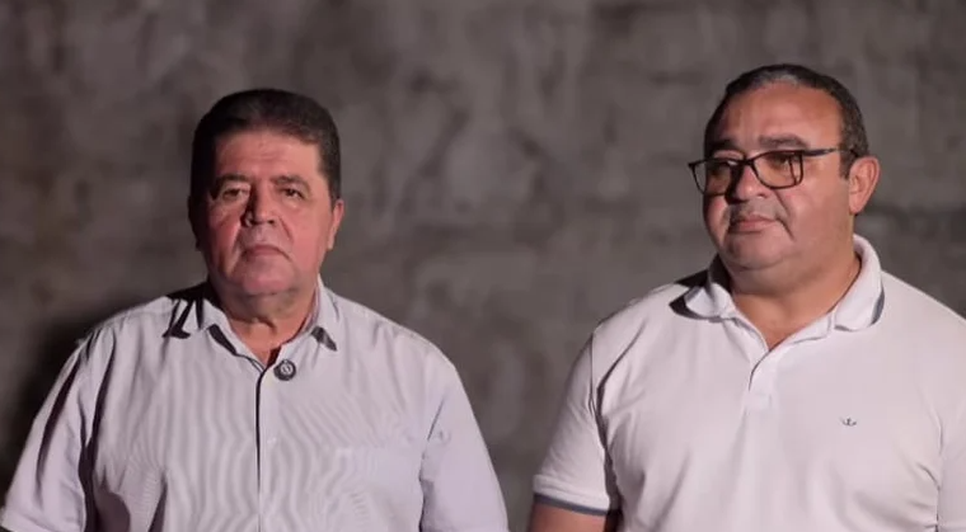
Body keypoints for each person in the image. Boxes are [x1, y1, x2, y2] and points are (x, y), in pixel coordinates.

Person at [0, 88, 509, 532]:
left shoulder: (419, 378)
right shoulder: (111, 363)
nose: (261, 213)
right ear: (197, 218)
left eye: (291, 192)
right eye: (234, 191)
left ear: (333, 221)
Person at [526, 63, 966, 532]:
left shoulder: (950, 359)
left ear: (858, 183)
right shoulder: (621, 348)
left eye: (784, 160)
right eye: (725, 165)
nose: (745, 187)